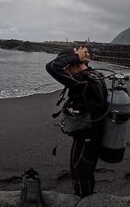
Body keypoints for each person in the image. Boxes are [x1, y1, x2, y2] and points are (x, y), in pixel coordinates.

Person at [45, 46, 108, 197]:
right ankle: (84, 198)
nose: (65, 73)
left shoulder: (81, 83)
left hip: (88, 136)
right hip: (90, 133)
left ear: (72, 65)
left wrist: (77, 56)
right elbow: (53, 65)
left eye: (67, 68)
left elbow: (53, 66)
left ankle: (83, 203)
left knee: (80, 172)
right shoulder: (94, 75)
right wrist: (79, 58)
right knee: (81, 169)